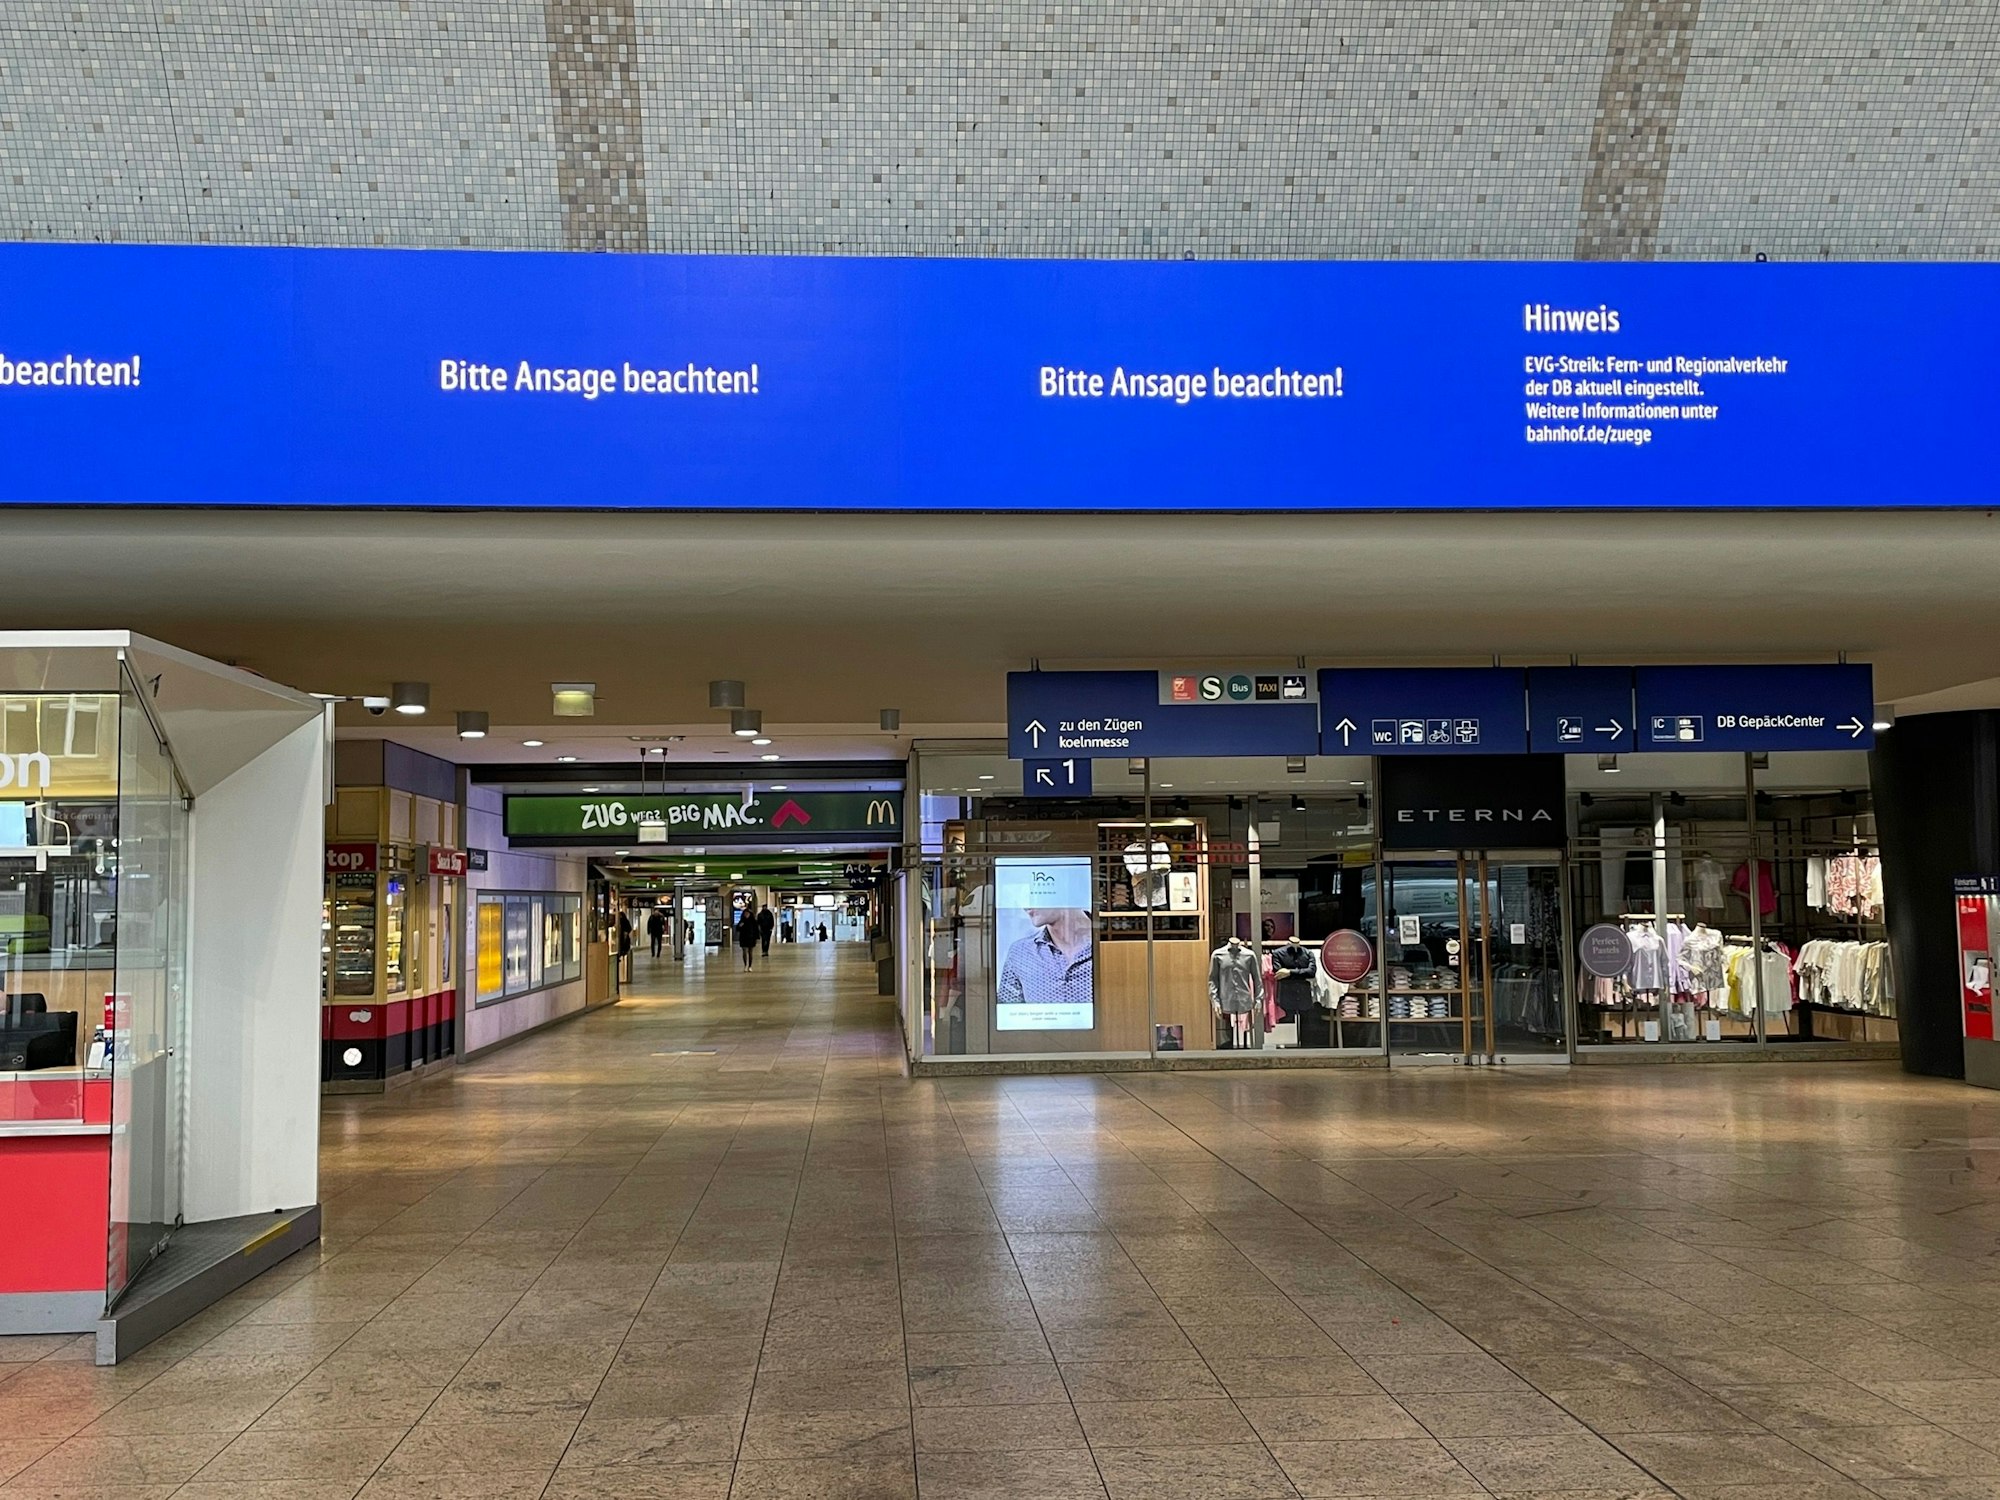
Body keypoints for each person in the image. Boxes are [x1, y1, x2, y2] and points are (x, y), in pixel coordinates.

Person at [997, 903, 1093, 1012]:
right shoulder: (1020, 952)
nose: (1025, 905)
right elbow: (1008, 1014)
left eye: (1036, 894)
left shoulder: (1105, 946)